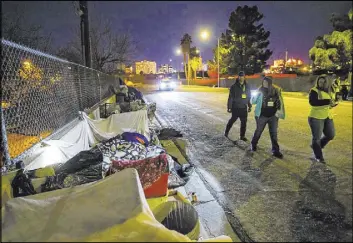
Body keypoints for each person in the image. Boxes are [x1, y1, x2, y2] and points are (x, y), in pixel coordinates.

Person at [250, 76, 285, 159]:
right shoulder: (259, 90)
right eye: (263, 82)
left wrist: (279, 112)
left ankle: (275, 150)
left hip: (273, 116)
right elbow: (252, 101)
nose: (264, 84)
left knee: (274, 134)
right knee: (258, 131)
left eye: (266, 82)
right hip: (262, 115)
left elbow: (280, 102)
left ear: (270, 83)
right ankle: (253, 144)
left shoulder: (276, 91)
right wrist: (255, 95)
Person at [308, 75, 338, 163]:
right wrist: (328, 102)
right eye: (319, 82)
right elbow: (313, 103)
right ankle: (318, 156)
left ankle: (317, 146)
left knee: (330, 135)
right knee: (316, 138)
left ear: (326, 83)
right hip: (316, 117)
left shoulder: (330, 91)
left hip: (328, 116)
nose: (320, 83)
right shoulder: (314, 91)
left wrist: (334, 103)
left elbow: (331, 102)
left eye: (323, 82)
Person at [225, 71, 252, 141]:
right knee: (232, 121)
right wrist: (229, 107)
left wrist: (249, 106)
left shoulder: (247, 86)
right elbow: (230, 97)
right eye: (240, 76)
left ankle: (242, 136)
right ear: (238, 77)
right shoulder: (233, 87)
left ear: (244, 77)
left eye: (242, 76)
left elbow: (249, 97)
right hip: (235, 108)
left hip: (243, 108)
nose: (241, 77)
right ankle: (226, 131)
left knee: (244, 123)